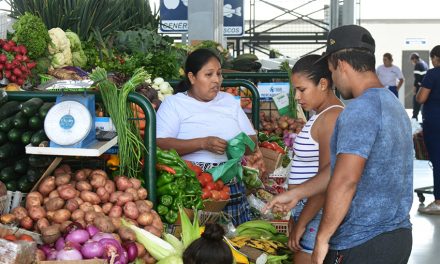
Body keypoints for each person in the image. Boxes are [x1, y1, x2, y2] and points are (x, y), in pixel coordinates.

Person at [264, 25, 413, 264]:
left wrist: (322, 237)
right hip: (397, 236)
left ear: (341, 65)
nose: (333, 78)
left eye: (331, 70)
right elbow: (340, 169)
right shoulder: (392, 104)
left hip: (362, 241)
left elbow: (345, 180)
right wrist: (298, 193)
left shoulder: (360, 109)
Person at [156, 48, 261, 226]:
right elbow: (160, 144)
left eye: (219, 74)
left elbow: (252, 142)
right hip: (192, 185)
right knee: (198, 243)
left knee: (237, 241)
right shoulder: (174, 104)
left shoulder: (228, 101)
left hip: (230, 186)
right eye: (209, 74)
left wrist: (237, 145)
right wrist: (203, 143)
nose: (216, 80)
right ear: (192, 77)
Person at [287, 54, 343, 264]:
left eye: (302, 89)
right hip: (307, 209)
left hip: (314, 212)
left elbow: (327, 180)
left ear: (322, 84)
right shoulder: (320, 114)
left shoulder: (331, 117)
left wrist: (302, 222)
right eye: (295, 90)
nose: (297, 97)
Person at [416, 45, 440, 214]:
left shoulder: (433, 74)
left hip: (435, 123)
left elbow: (422, 97)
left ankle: (438, 201)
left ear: (435, 58)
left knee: (438, 161)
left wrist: (418, 94)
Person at [410, 52, 428, 120]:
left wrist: (414, 88)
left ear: (414, 59)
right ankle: (424, 118)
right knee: (423, 103)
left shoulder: (418, 65)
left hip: (419, 87)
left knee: (416, 102)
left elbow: (417, 78)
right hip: (425, 87)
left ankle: (414, 118)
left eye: (412, 60)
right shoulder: (424, 63)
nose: (412, 62)